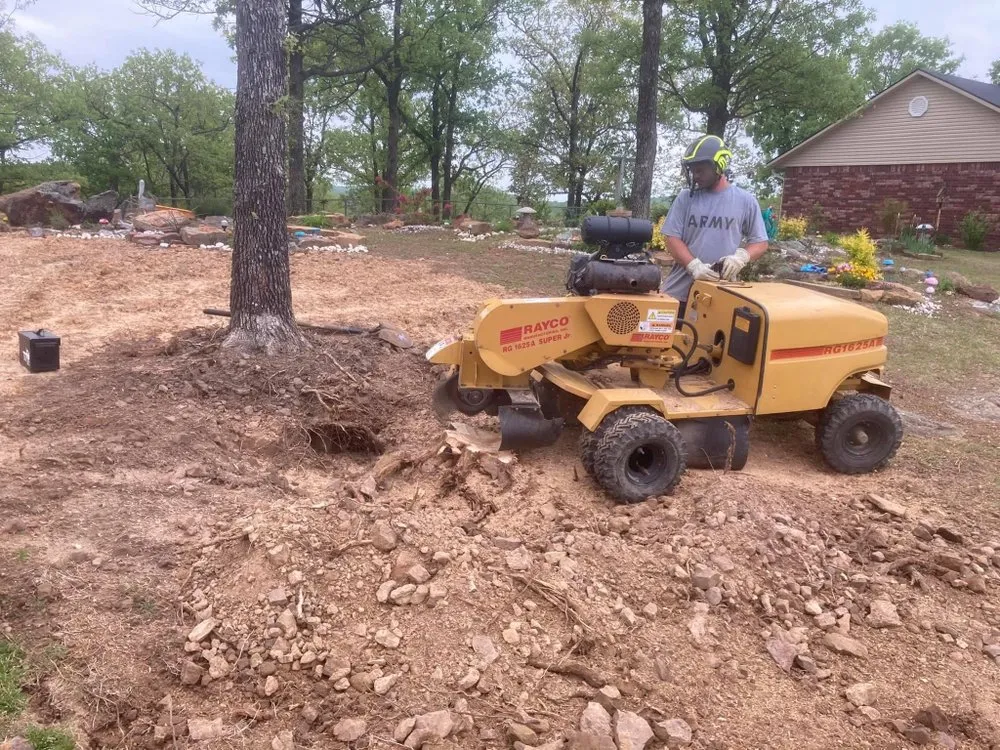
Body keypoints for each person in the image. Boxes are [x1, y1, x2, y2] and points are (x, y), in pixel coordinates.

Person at [658, 135, 769, 315]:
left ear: (719, 166)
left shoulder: (745, 201)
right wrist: (693, 265)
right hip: (679, 293)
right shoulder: (685, 198)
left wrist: (741, 257)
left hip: (719, 296)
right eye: (693, 171)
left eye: (700, 170)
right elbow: (671, 238)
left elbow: (760, 242)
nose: (695, 176)